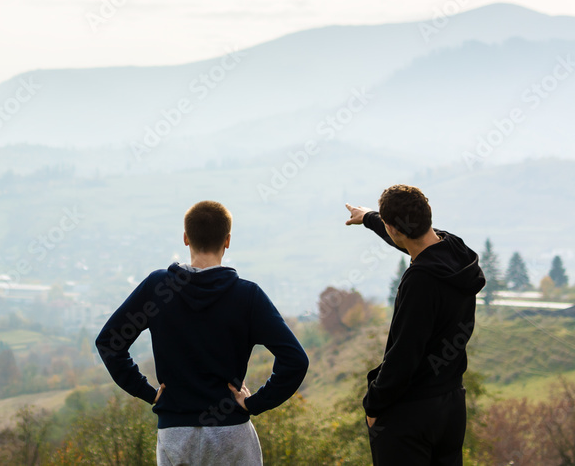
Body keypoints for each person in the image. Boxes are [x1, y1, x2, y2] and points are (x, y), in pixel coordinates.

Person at [95, 200, 309, 465]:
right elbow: (295, 360)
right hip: (231, 433)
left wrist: (147, 391)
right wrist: (255, 403)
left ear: (186, 238)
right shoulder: (247, 296)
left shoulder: (158, 288)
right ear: (227, 240)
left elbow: (109, 342)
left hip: (176, 434)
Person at [345, 185, 486, 466]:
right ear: (427, 214)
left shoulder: (420, 281)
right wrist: (370, 218)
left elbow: (404, 354)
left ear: (393, 229)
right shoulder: (455, 251)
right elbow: (409, 237)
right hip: (451, 406)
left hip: (410, 413)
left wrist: (373, 406)